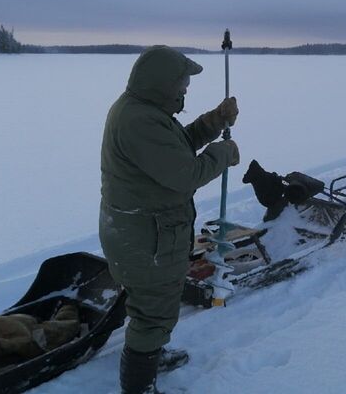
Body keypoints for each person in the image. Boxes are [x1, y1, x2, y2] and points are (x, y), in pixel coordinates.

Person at [99, 45, 240, 394]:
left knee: (153, 303)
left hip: (145, 233)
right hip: (147, 239)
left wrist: (213, 121)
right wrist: (222, 153)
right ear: (162, 82)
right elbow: (184, 173)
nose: (185, 89)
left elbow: (176, 146)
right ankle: (139, 386)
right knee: (153, 315)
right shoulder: (140, 121)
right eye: (182, 82)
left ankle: (152, 353)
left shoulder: (145, 111)